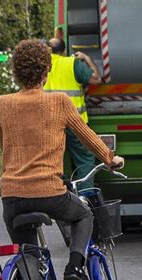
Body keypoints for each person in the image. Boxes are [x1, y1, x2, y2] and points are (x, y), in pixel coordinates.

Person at [0, 39, 124, 280]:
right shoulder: (60, 103)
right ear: (46, 71)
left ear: (15, 72)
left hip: (12, 197)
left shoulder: (1, 103)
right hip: (49, 193)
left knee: (29, 257)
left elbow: (4, 145)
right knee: (83, 215)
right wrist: (110, 159)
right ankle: (75, 268)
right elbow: (87, 136)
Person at [44, 38, 102, 189]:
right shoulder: (72, 63)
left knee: (54, 162)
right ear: (63, 51)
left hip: (50, 123)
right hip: (75, 123)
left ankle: (58, 198)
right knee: (84, 159)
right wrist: (87, 58)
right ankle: (86, 199)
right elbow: (96, 79)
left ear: (48, 50)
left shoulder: (41, 66)